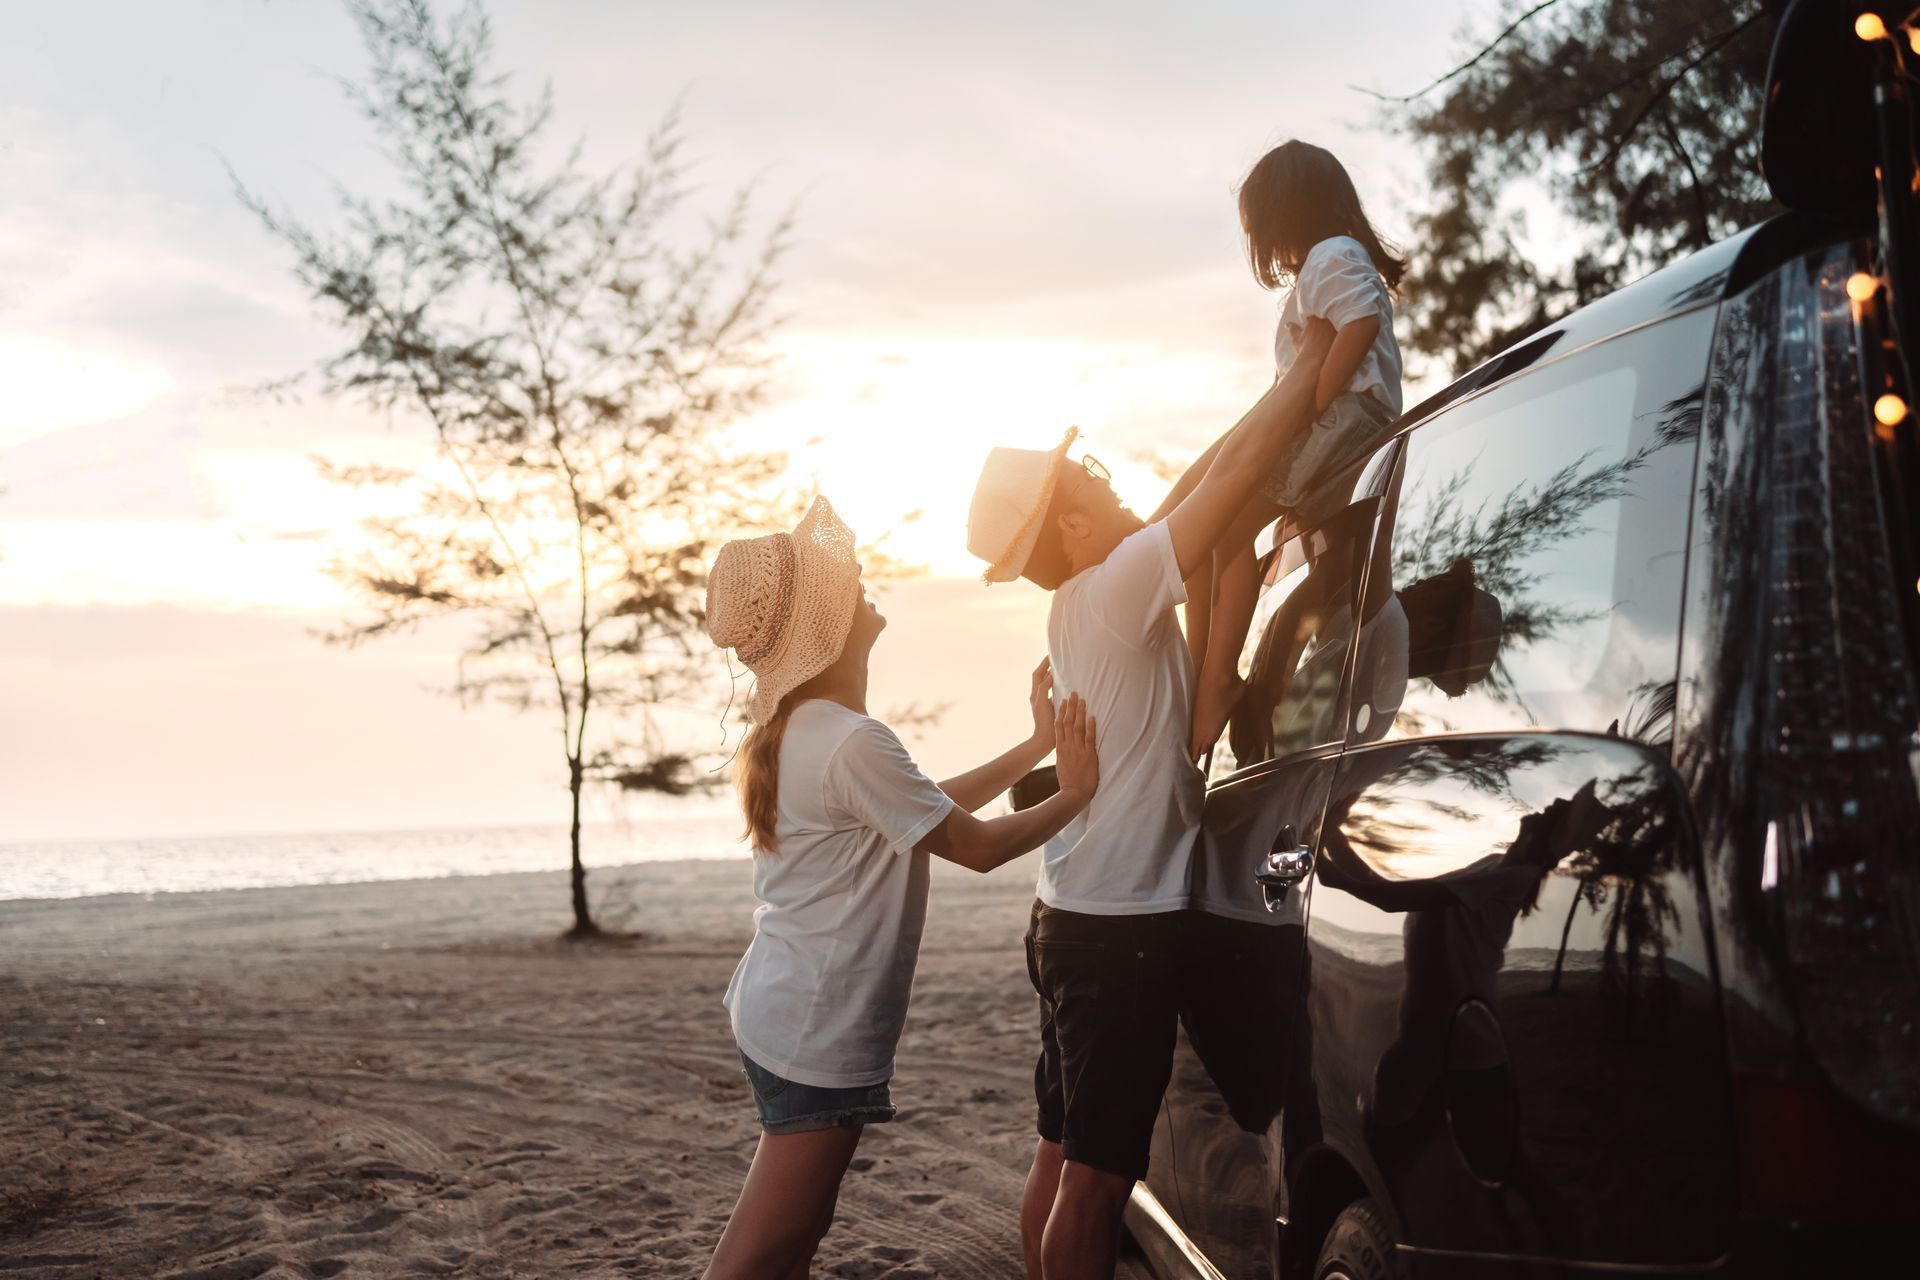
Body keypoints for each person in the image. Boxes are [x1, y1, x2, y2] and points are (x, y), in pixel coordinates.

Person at [965, 317, 1335, 1280]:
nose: (1118, 486)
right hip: (1118, 937)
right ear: (1076, 528)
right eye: (1094, 484)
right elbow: (1233, 476)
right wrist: (1309, 373)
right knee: (1096, 1184)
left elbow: (1205, 488)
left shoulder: (1078, 598)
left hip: (1069, 919)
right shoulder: (1124, 581)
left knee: (1060, 1155)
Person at [700, 495, 1101, 1280]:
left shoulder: (814, 730)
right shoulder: (849, 739)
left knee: (796, 1237)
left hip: (787, 1010)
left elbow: (917, 805)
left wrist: (1033, 749)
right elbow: (976, 848)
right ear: (827, 623)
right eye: (835, 582)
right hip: (815, 1027)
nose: (856, 578)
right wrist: (1076, 794)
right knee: (762, 1253)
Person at [1170, 140, 1407, 759]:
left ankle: (1215, 678)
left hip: (1348, 415)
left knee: (1226, 528)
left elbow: (1359, 325)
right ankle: (1216, 674)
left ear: (1284, 212)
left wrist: (1309, 411)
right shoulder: (1334, 260)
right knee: (1235, 537)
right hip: (1353, 415)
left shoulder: (1329, 257)